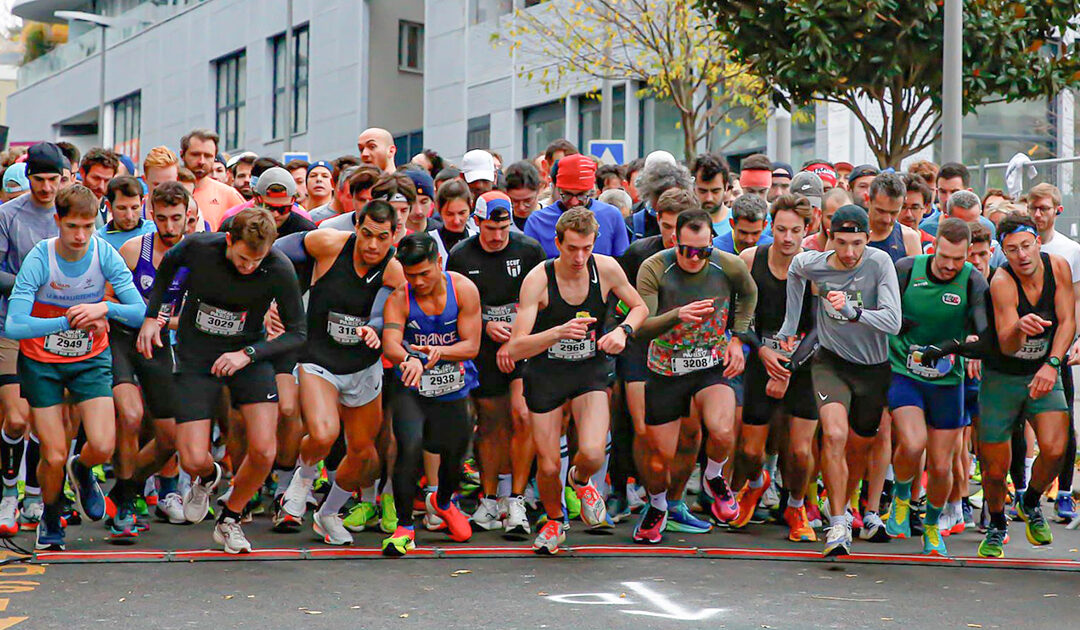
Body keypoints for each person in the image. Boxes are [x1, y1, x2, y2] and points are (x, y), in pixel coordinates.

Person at [136, 207, 306, 553]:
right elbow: (167, 267)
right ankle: (208, 476)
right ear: (230, 240)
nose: (248, 267)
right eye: (243, 258)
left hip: (247, 353)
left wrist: (250, 354)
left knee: (263, 448)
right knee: (192, 457)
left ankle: (230, 518)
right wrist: (154, 316)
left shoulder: (278, 267)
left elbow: (298, 332)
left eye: (256, 261)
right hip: (196, 356)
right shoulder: (200, 247)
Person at [5, 184, 147, 550]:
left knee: (102, 445)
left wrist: (104, 308)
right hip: (42, 362)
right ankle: (50, 517)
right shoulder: (41, 258)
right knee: (52, 453)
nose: (80, 235)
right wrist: (65, 322)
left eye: (87, 226)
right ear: (58, 222)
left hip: (89, 358)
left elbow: (139, 310)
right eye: (72, 227)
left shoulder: (104, 253)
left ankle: (82, 469)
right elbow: (15, 325)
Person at [508, 208, 647, 554]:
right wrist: (556, 332)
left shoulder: (607, 268)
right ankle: (555, 521)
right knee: (550, 463)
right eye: (572, 248)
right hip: (546, 374)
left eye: (586, 248)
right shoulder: (538, 279)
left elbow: (640, 307)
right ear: (557, 244)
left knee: (593, 452)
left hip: (589, 371)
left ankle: (581, 481)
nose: (579, 257)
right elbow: (516, 345)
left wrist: (623, 331)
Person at [275, 200, 406, 546]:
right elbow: (277, 250)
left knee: (365, 456)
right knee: (323, 433)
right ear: (356, 228)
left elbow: (383, 308)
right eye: (366, 235)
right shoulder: (329, 243)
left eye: (381, 237)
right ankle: (303, 479)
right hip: (318, 358)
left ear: (394, 236)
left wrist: (377, 328)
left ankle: (328, 514)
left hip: (362, 365)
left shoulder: (395, 271)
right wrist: (280, 301)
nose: (372, 245)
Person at [779, 204, 902, 557]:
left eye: (858, 243)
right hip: (831, 363)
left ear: (868, 239)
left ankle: (847, 506)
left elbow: (893, 323)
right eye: (843, 243)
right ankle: (836, 522)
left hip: (873, 367)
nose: (850, 253)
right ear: (829, 238)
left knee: (859, 448)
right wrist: (791, 327)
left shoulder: (879, 263)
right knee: (833, 434)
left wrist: (852, 311)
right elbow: (795, 272)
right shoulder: (813, 262)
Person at [632, 208, 756, 544]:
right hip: (666, 370)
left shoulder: (727, 264)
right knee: (659, 461)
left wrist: (736, 337)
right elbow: (641, 326)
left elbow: (749, 294)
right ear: (675, 241)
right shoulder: (656, 267)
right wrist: (677, 315)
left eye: (702, 251)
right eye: (686, 250)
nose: (694, 258)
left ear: (712, 244)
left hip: (711, 364)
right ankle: (658, 506)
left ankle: (714, 475)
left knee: (722, 427)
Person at [880, 219, 989, 556]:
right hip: (904, 371)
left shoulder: (972, 280)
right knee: (913, 443)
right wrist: (897, 324)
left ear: (967, 255)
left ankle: (931, 525)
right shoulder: (906, 269)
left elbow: (984, 338)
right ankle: (901, 495)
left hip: (946, 380)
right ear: (934, 246)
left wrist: (953, 346)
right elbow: (881, 314)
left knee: (942, 466)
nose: (949, 266)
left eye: (958, 259)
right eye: (944, 256)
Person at [975, 211, 1074, 558]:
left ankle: (1030, 502)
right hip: (1002, 375)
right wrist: (1020, 327)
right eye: (1013, 249)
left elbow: (1067, 321)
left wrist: (1053, 363)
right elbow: (1006, 344)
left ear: (1037, 243)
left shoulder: (1058, 266)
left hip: (1043, 370)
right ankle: (998, 522)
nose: (1022, 256)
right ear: (1003, 251)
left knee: (1056, 449)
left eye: (1027, 246)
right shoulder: (1001, 281)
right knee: (994, 466)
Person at [447, 193, 545, 536]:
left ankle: (515, 497)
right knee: (491, 422)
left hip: (522, 344)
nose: (498, 236)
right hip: (484, 349)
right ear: (477, 223)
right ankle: (490, 498)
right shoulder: (461, 255)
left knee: (522, 414)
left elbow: (542, 298)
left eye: (504, 228)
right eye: (490, 228)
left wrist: (517, 336)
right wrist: (485, 324)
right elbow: (454, 304)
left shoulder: (529, 250)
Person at [379, 232, 481, 556]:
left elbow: (472, 345)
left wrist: (440, 352)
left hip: (452, 385)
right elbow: (391, 342)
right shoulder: (400, 297)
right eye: (411, 276)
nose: (418, 282)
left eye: (424, 273)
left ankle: (444, 500)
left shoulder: (463, 289)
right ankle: (405, 526)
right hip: (412, 384)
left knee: (455, 453)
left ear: (439, 262)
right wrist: (409, 358)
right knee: (408, 447)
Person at [108, 182, 192, 535]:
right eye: (162, 219)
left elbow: (196, 314)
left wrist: (158, 321)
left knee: (170, 439)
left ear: (189, 216)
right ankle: (126, 506)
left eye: (176, 219)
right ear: (150, 214)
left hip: (160, 343)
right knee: (130, 415)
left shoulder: (197, 255)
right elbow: (108, 300)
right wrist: (138, 317)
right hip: (123, 341)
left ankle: (123, 488)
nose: (169, 227)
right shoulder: (133, 250)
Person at [735, 195, 819, 542]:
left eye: (795, 231)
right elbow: (738, 319)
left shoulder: (815, 267)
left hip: (802, 364)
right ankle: (757, 483)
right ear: (771, 227)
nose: (787, 238)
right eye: (781, 229)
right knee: (750, 450)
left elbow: (819, 329)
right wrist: (761, 352)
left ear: (807, 230)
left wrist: (788, 366)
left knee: (799, 452)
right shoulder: (750, 259)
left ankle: (796, 504)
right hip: (762, 359)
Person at [608, 188, 693, 527]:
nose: (674, 235)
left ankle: (668, 500)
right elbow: (617, 302)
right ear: (657, 220)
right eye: (668, 226)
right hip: (640, 346)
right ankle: (620, 489)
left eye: (680, 227)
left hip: (684, 352)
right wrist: (619, 333)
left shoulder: (704, 255)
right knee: (640, 426)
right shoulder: (639, 253)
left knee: (685, 430)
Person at [0, 143, 67, 535]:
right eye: (38, 179)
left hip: (58, 331)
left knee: (47, 422)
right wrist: (32, 287)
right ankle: (9, 491)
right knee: (16, 416)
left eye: (52, 180)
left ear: (63, 178)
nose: (45, 187)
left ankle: (36, 494)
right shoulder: (9, 215)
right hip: (11, 324)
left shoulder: (72, 214)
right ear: (28, 178)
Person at [1027, 183, 1080, 522]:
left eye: (1044, 208)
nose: (1038, 214)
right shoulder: (1018, 248)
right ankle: (1020, 486)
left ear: (1057, 210)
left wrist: (1075, 339)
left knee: (1063, 416)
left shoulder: (1070, 250)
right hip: (1024, 348)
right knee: (1021, 419)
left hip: (1059, 344)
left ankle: (1063, 491)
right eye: (1033, 208)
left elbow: (1075, 302)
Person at [524, 154, 629, 259]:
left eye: (581, 195)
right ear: (557, 189)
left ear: (592, 191)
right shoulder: (537, 221)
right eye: (567, 195)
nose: (574, 202)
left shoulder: (611, 216)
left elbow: (621, 264)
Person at [181, 129, 245, 231]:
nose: (201, 161)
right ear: (182, 155)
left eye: (208, 156)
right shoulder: (166, 191)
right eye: (195, 154)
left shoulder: (229, 194)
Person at [627, 154, 692, 241]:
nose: (669, 201)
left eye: (674, 195)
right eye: (663, 195)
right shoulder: (633, 224)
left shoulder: (696, 221)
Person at [866, 172, 922, 262]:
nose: (887, 220)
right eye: (881, 211)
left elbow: (917, 276)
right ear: (868, 200)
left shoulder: (909, 238)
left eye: (893, 213)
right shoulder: (852, 232)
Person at [428, 179, 478, 266]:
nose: (456, 221)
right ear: (439, 208)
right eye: (449, 214)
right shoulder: (429, 241)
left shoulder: (478, 240)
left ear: (471, 206)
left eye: (462, 213)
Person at [98, 176, 156, 251]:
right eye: (122, 208)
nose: (129, 216)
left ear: (142, 204)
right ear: (109, 206)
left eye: (134, 208)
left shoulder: (154, 232)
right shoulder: (99, 240)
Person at [691, 153, 731, 237]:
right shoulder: (685, 223)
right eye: (703, 191)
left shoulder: (739, 224)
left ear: (726, 187)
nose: (709, 198)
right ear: (694, 188)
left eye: (715, 191)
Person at [802, 188, 851, 253]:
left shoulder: (860, 250)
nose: (839, 224)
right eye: (831, 218)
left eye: (845, 218)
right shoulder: (804, 248)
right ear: (820, 214)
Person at [504, 161, 543, 232]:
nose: (521, 207)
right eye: (515, 201)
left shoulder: (553, 218)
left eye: (527, 201)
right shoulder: (501, 223)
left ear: (539, 189)